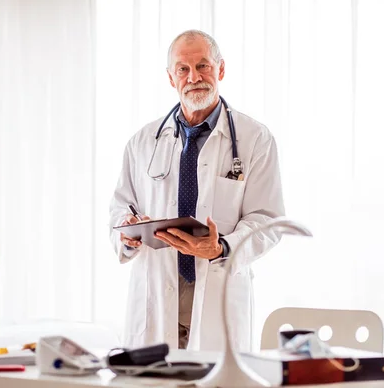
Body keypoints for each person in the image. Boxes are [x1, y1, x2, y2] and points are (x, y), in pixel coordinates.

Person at [108, 29, 285, 352]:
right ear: (170, 77)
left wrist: (222, 248)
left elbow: (267, 220)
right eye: (183, 69)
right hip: (157, 292)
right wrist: (126, 232)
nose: (194, 77)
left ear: (220, 70)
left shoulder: (255, 138)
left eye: (203, 66)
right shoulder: (142, 142)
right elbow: (121, 209)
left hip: (217, 287)